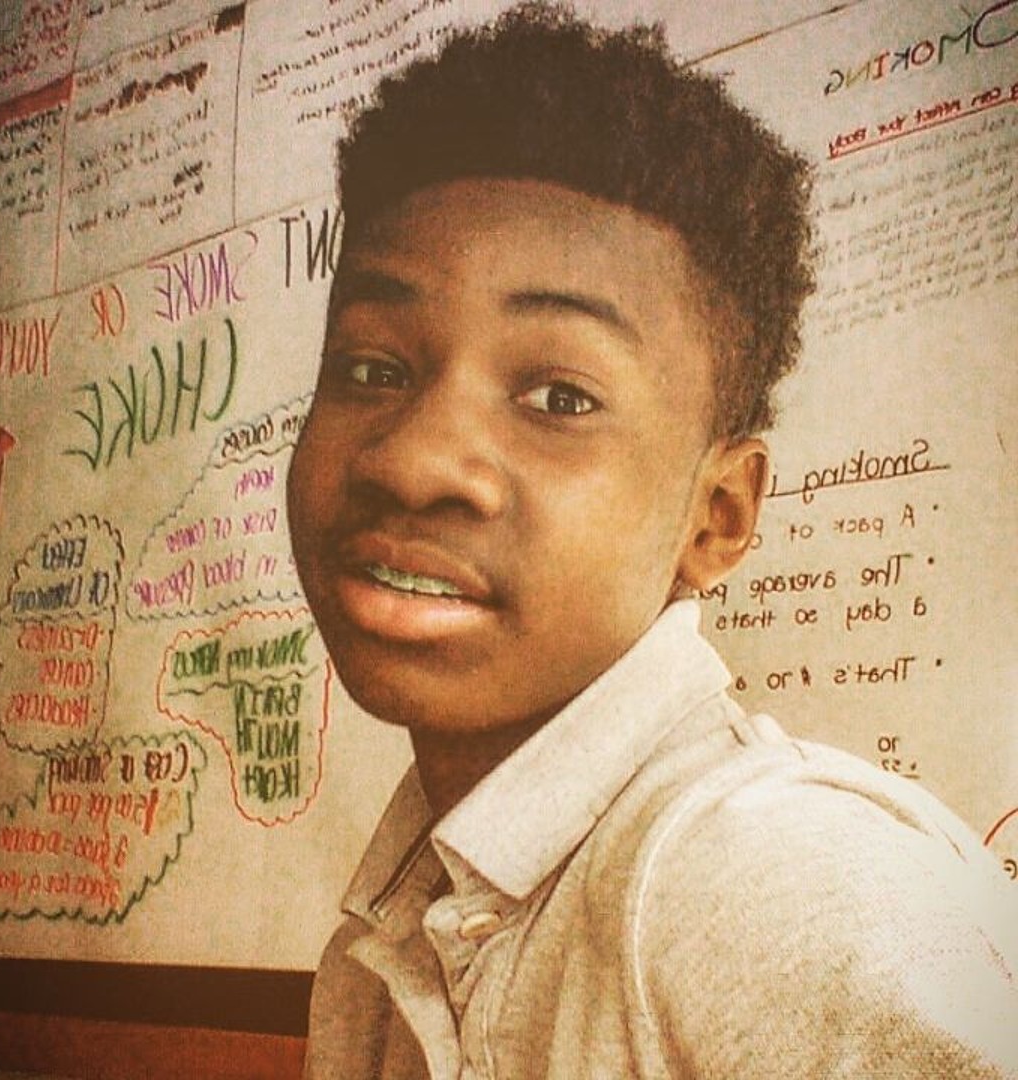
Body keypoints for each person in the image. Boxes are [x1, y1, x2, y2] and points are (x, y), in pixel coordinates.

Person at [286, 3, 1018, 1076]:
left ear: (717, 516)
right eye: (372, 367)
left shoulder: (784, 889)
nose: (413, 460)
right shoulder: (380, 953)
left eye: (558, 396)